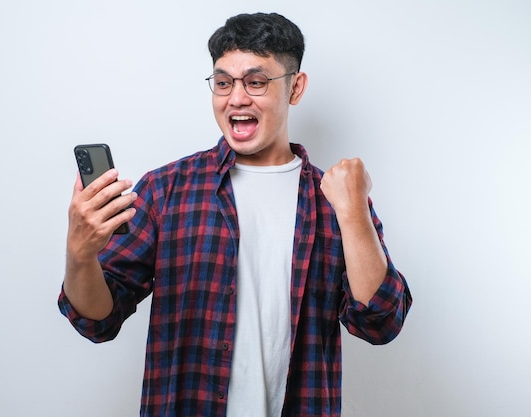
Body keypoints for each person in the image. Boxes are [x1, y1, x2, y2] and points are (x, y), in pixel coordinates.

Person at [59, 12, 412, 417]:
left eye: (256, 82)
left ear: (295, 88)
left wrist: (353, 215)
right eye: (223, 82)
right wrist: (80, 254)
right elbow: (96, 320)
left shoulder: (337, 199)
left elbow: (381, 323)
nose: (237, 98)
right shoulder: (166, 190)